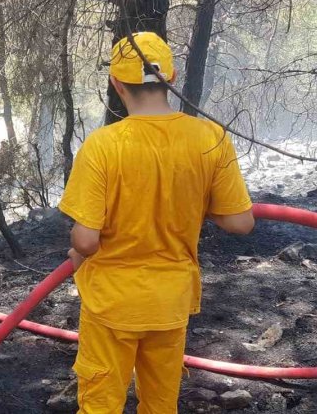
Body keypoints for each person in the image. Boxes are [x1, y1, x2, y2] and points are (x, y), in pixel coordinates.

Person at [58, 32, 255, 413]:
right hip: (170, 305)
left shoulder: (103, 145)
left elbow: (86, 242)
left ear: (116, 83)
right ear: (172, 77)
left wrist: (73, 245)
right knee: (161, 405)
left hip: (112, 306)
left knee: (101, 404)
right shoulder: (210, 138)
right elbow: (241, 223)